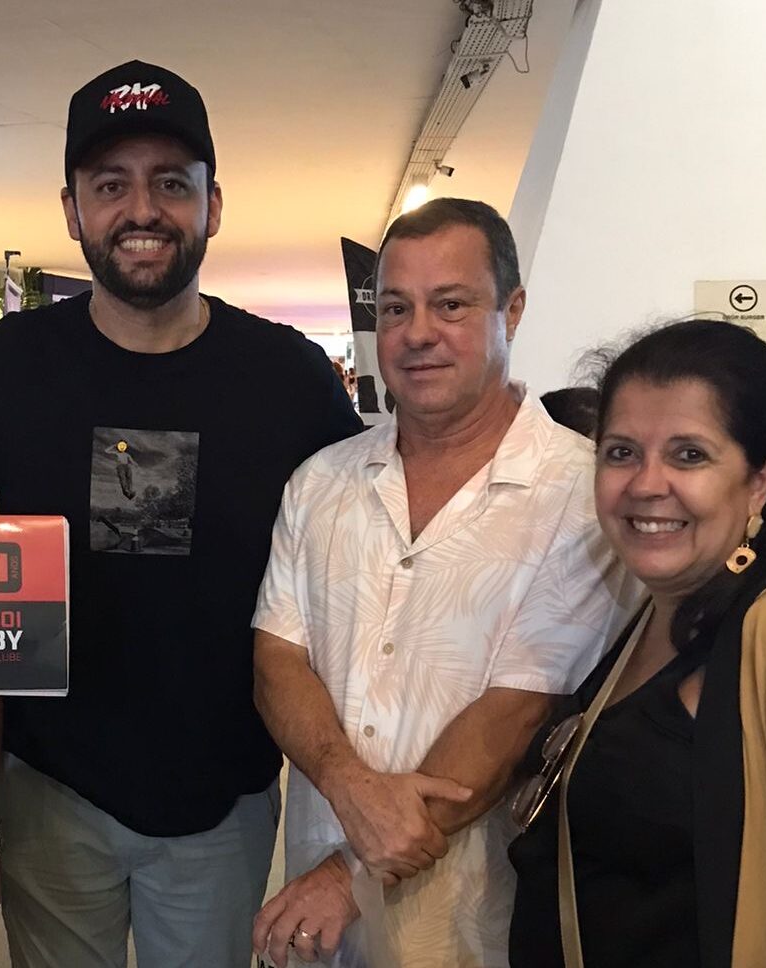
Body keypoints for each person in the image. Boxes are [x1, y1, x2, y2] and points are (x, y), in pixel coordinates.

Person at [0, 60, 362, 968]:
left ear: (213, 203)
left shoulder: (290, 382)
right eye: (110, 185)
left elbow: (366, 561)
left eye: (172, 183)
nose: (142, 210)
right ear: (70, 208)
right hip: (48, 788)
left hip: (225, 797)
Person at [250, 198, 638, 967]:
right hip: (318, 922)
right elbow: (276, 659)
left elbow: (516, 714)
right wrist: (343, 781)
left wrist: (350, 871)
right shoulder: (321, 482)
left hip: (470, 922)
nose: (418, 333)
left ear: (512, 310)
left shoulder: (581, 497)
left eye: (451, 304)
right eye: (396, 307)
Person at [508, 319, 766, 967]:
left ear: (760, 480)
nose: (645, 483)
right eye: (622, 452)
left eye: (689, 454)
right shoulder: (651, 607)